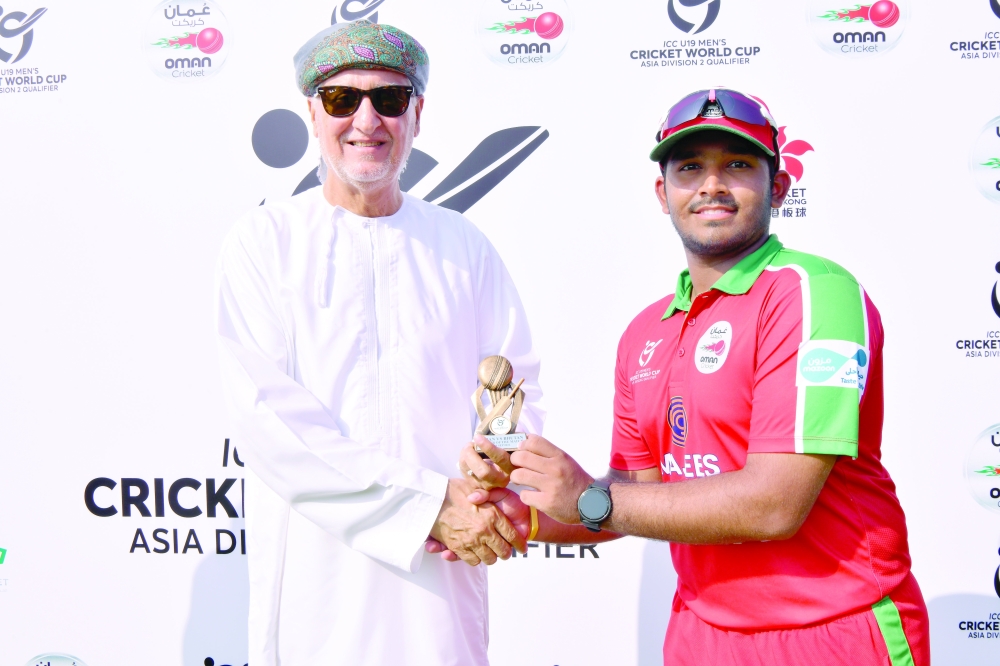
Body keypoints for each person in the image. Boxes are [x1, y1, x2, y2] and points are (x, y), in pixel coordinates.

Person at [452, 88, 929, 665]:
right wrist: (518, 512)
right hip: (698, 633)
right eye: (690, 168)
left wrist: (588, 499)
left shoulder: (812, 292)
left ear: (778, 185)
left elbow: (774, 506)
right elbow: (634, 498)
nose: (711, 185)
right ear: (663, 192)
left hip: (831, 632)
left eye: (738, 165)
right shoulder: (645, 331)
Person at [214, 20, 541, 666]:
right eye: (343, 100)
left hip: (442, 593)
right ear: (312, 113)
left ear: (417, 113)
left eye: (389, 99)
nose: (367, 119)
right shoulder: (265, 244)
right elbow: (269, 422)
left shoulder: (463, 249)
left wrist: (494, 461)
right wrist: (425, 508)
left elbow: (513, 387)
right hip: (317, 600)